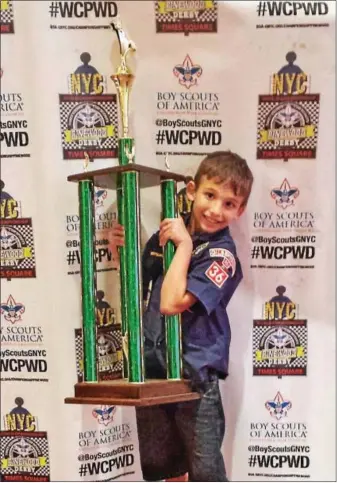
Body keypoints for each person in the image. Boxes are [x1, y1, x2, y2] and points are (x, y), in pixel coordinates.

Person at [109, 151, 254, 481]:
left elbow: (171, 302)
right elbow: (138, 287)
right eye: (210, 195)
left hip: (194, 379)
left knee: (205, 473)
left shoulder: (222, 255)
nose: (216, 210)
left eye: (229, 204)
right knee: (168, 468)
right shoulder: (169, 234)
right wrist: (119, 255)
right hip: (155, 371)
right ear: (191, 191)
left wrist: (186, 247)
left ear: (239, 210)